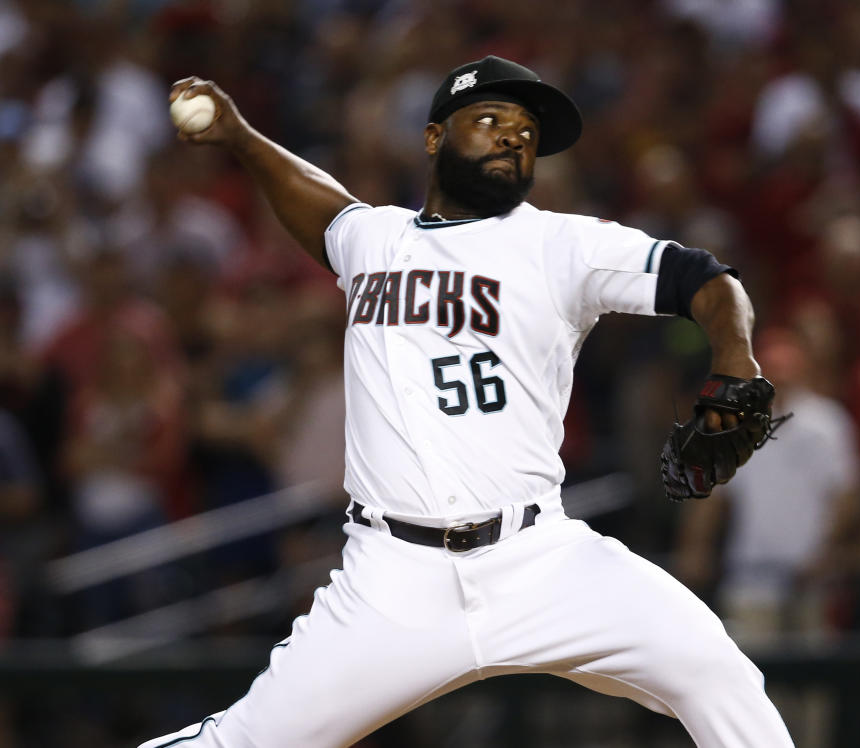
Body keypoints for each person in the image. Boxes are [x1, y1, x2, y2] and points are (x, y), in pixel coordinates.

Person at [140, 56, 794, 747]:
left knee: (717, 674)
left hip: (541, 561)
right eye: (490, 120)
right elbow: (324, 209)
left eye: (526, 132)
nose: (513, 137)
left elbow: (707, 280)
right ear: (433, 138)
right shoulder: (374, 239)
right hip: (392, 581)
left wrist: (736, 357)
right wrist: (240, 136)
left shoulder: (559, 244)